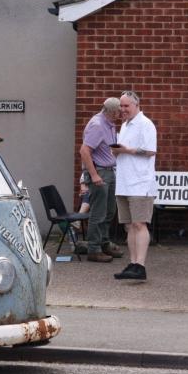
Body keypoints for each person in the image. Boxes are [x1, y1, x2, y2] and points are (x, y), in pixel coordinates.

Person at [111, 91, 157, 281]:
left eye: (126, 106)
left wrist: (126, 150)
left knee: (140, 223)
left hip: (140, 182)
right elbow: (124, 151)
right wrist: (116, 152)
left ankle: (141, 265)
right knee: (129, 225)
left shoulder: (145, 124)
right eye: (121, 106)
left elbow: (150, 151)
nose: (123, 110)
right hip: (124, 182)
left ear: (136, 105)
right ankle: (132, 263)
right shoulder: (125, 125)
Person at [79, 96, 124, 263]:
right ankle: (94, 249)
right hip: (99, 172)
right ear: (111, 112)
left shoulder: (109, 124)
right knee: (98, 212)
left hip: (109, 171)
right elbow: (84, 151)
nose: (121, 114)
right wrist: (94, 175)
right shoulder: (97, 125)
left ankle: (104, 243)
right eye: (119, 111)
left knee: (110, 210)